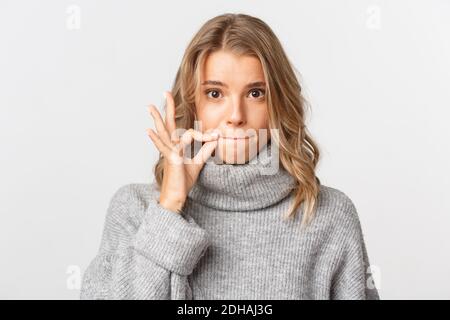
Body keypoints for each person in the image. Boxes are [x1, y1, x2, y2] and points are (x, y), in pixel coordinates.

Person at [80, 13, 380, 300]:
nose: (235, 116)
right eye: (214, 94)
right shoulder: (135, 209)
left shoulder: (329, 215)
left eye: (255, 94)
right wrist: (169, 207)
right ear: (192, 103)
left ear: (278, 104)